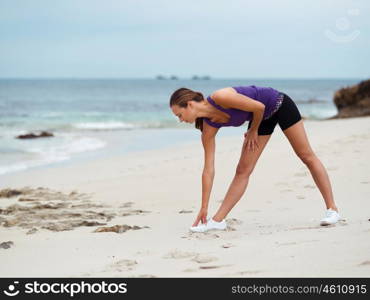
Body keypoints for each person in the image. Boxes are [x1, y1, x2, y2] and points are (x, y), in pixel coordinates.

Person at [169, 85, 341, 232]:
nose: (180, 120)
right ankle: (217, 221)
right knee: (243, 169)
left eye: (179, 115)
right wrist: (204, 207)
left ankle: (332, 209)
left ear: (190, 105)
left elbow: (258, 107)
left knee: (306, 156)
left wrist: (253, 130)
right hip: (260, 118)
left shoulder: (221, 97)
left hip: (278, 104)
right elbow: (208, 170)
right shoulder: (208, 129)